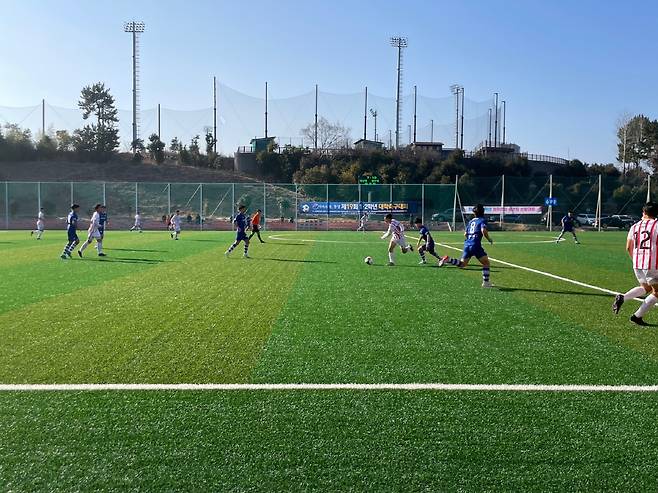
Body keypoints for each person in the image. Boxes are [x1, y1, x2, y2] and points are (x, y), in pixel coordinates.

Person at [612, 202, 658, 325]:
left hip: (637, 263)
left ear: (644, 212)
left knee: (646, 288)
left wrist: (635, 259)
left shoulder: (635, 226)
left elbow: (628, 247)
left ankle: (623, 297)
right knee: (657, 292)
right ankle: (637, 316)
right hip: (652, 263)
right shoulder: (657, 225)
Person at [439, 204, 494, 288]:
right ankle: (486, 283)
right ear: (482, 212)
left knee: (462, 264)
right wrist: (489, 239)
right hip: (475, 245)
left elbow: (465, 233)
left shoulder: (471, 221)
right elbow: (483, 230)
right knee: (486, 262)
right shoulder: (482, 220)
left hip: (467, 244)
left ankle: (448, 259)